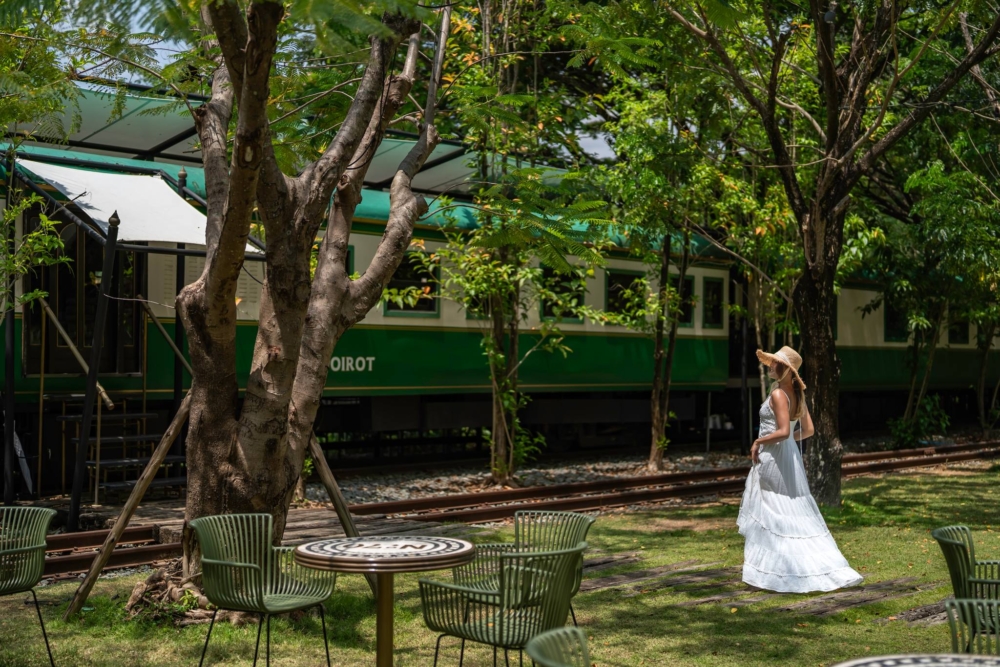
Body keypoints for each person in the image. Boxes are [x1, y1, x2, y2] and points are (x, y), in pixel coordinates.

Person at [737, 346, 862, 593]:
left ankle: (779, 570)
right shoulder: (796, 394)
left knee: (775, 507)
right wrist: (790, 443)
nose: (770, 366)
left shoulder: (778, 395)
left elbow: (783, 431)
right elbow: (808, 430)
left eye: (775, 363)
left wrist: (758, 441)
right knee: (789, 506)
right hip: (788, 455)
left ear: (785, 370)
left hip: (775, 456)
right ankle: (789, 565)